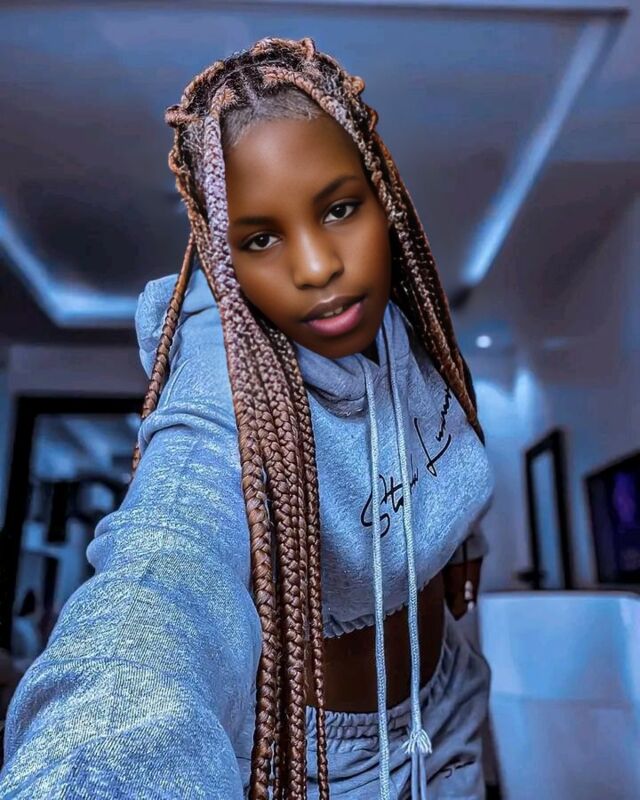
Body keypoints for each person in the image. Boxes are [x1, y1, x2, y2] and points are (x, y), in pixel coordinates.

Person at [0, 37, 495, 799]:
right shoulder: (221, 380)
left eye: (339, 209)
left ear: (384, 198)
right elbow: (166, 564)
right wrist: (98, 756)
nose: (318, 268)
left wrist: (458, 538)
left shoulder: (406, 322)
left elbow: (426, 442)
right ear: (220, 254)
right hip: (324, 765)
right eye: (260, 238)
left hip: (449, 699)